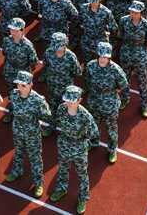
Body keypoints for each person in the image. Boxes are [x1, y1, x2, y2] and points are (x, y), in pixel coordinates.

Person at [50, 85, 98, 214]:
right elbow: (57, 120)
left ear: (79, 100)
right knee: (63, 168)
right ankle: (61, 189)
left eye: (72, 101)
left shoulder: (85, 116)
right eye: (67, 100)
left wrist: (81, 139)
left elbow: (94, 132)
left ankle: (82, 198)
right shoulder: (61, 109)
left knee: (81, 173)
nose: (69, 103)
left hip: (78, 148)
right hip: (64, 144)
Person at [5, 70, 50, 196]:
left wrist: (36, 119)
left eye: (23, 85)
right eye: (18, 84)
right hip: (17, 130)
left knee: (35, 157)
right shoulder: (14, 94)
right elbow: (12, 109)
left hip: (32, 134)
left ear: (30, 85)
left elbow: (47, 115)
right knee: (18, 152)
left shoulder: (38, 100)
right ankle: (16, 172)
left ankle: (38, 182)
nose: (20, 87)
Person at [84, 41, 127, 164]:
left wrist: (110, 92)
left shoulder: (115, 70)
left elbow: (123, 85)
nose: (103, 59)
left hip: (110, 103)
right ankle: (94, 142)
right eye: (101, 56)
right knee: (94, 124)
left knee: (111, 127)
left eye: (106, 57)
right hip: (95, 100)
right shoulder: (91, 66)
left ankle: (112, 149)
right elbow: (87, 78)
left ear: (109, 57)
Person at [0, 18, 41, 123]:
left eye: (16, 30)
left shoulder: (27, 45)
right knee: (11, 94)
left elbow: (34, 61)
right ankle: (11, 113)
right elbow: (4, 53)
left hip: (23, 74)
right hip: (10, 70)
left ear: (22, 30)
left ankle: (26, 115)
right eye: (11, 29)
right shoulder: (7, 40)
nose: (13, 32)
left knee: (25, 95)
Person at [40, 32, 81, 136]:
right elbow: (46, 65)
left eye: (59, 47)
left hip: (65, 89)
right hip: (52, 87)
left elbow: (76, 72)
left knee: (67, 109)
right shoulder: (49, 53)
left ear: (65, 44)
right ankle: (52, 126)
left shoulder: (71, 57)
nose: (56, 49)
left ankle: (66, 130)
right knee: (53, 107)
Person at [119, 1, 147, 114]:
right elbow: (121, 33)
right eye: (131, 11)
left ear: (141, 13)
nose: (133, 14)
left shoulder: (146, 26)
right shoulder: (124, 20)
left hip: (140, 57)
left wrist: (141, 49)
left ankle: (144, 104)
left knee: (142, 81)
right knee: (125, 78)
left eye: (136, 12)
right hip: (126, 53)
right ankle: (125, 99)